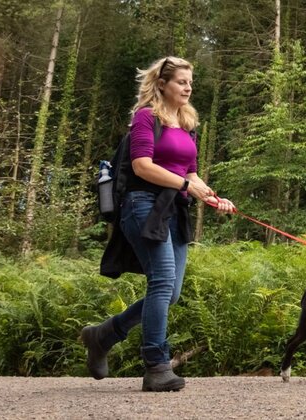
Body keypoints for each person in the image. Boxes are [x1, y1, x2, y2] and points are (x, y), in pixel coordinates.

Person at [82, 56, 235, 392]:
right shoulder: (145, 118)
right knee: (162, 280)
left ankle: (103, 334)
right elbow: (142, 166)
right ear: (162, 84)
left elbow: (190, 173)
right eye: (181, 81)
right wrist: (184, 185)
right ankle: (156, 365)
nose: (188, 87)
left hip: (174, 210)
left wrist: (211, 197)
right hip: (143, 205)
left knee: (172, 293)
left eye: (190, 81)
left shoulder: (187, 123)